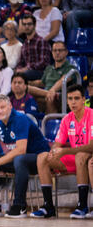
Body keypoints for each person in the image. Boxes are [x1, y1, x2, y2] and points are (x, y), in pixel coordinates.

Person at [0, 94, 50, 218]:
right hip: (19, 160)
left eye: (2, 107)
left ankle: (20, 205)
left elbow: (21, 150)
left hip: (39, 158)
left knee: (19, 159)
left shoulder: (20, 119)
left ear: (10, 106)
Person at [32, 84, 92, 219]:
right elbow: (57, 144)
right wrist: (54, 152)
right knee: (42, 157)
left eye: (76, 98)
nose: (73, 102)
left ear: (84, 99)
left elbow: (91, 147)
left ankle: (82, 205)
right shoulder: (66, 119)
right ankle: (48, 207)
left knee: (80, 156)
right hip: (72, 157)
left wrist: (64, 151)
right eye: (70, 99)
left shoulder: (91, 115)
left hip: (88, 156)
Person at [27, 41, 76, 113]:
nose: (57, 53)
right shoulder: (49, 68)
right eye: (55, 50)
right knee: (25, 88)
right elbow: (42, 83)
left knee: (51, 98)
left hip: (61, 97)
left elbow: (63, 80)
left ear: (66, 52)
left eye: (60, 50)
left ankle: (50, 123)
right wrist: (27, 82)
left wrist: (52, 90)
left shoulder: (70, 68)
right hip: (47, 94)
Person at [15, 14, 52, 81]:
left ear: (34, 25)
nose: (26, 26)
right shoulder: (24, 44)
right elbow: (21, 62)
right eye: (24, 24)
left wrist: (28, 68)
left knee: (24, 75)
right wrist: (18, 69)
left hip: (41, 72)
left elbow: (44, 62)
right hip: (28, 72)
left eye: (29, 24)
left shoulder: (41, 41)